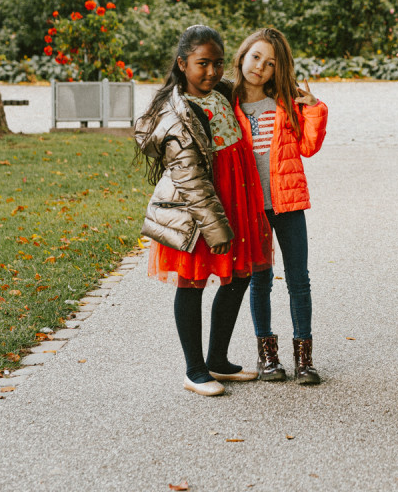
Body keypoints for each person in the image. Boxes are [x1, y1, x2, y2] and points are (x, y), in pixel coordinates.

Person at [134, 25, 271, 397]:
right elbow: (191, 179)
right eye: (202, 64)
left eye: (218, 63)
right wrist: (214, 227)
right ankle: (194, 370)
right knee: (192, 282)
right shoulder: (177, 114)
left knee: (240, 275)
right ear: (182, 64)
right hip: (202, 208)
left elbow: (261, 89)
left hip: (238, 196)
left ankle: (217, 360)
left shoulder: (222, 92)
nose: (212, 71)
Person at [230, 28, 329, 385]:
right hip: (251, 207)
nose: (260, 67)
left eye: (270, 63)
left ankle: (304, 359)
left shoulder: (285, 103)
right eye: (255, 57)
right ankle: (267, 356)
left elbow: (308, 146)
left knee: (298, 279)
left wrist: (314, 108)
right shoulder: (228, 105)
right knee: (261, 279)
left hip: (288, 202)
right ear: (243, 56)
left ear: (278, 69)